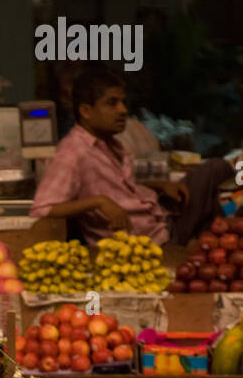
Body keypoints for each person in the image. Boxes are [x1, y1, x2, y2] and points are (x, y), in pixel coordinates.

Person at [31, 68, 233, 247]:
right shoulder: (72, 152)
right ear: (86, 111)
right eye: (112, 103)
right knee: (218, 170)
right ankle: (215, 247)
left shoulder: (110, 143)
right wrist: (99, 202)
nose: (123, 110)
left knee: (219, 171)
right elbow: (42, 208)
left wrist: (160, 184)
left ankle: (217, 249)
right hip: (149, 243)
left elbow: (123, 182)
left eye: (123, 102)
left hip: (163, 219)